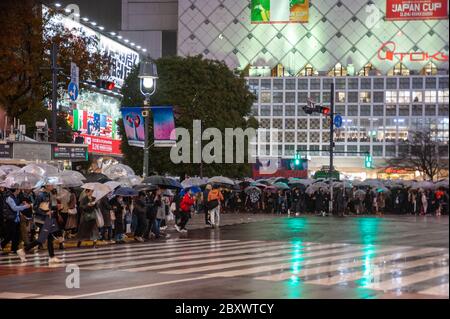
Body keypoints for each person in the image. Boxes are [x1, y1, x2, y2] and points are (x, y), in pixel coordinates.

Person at [17, 197, 61, 264]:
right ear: (47, 186)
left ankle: (52, 257)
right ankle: (23, 250)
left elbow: (48, 207)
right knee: (42, 239)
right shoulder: (41, 195)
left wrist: (55, 207)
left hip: (47, 220)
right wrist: (45, 213)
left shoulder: (48, 194)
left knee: (49, 238)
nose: (52, 186)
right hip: (42, 220)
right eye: (51, 185)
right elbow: (35, 208)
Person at [1, 188, 31, 255]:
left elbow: (17, 207)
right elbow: (14, 208)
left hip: (16, 218)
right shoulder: (9, 198)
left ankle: (14, 249)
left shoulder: (16, 197)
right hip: (10, 219)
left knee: (16, 235)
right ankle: (2, 245)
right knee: (11, 235)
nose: (20, 190)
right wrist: (25, 206)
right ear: (15, 190)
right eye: (18, 189)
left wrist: (22, 205)